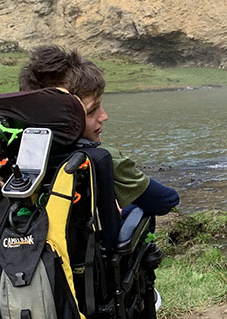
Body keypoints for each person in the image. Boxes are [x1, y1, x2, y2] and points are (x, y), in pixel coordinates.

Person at [18, 45, 180, 216]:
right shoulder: (103, 157)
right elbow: (166, 201)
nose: (104, 116)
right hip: (90, 241)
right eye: (92, 111)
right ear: (61, 119)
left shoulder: (13, 154)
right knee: (139, 209)